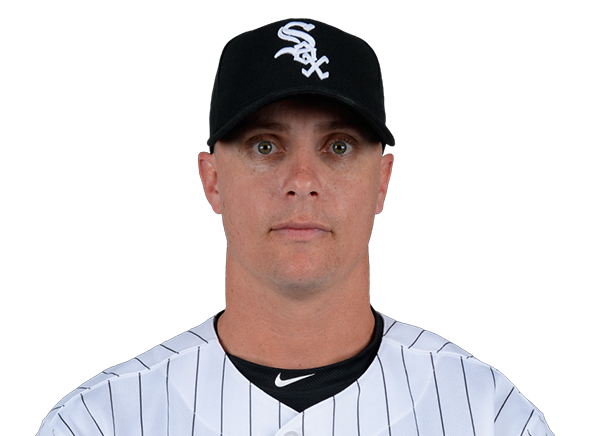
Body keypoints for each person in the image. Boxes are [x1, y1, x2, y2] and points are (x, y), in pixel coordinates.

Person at [37, 19, 554, 436]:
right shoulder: (100, 420)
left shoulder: (488, 413)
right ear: (212, 180)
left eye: (339, 146)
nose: (302, 180)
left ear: (382, 180)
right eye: (266, 145)